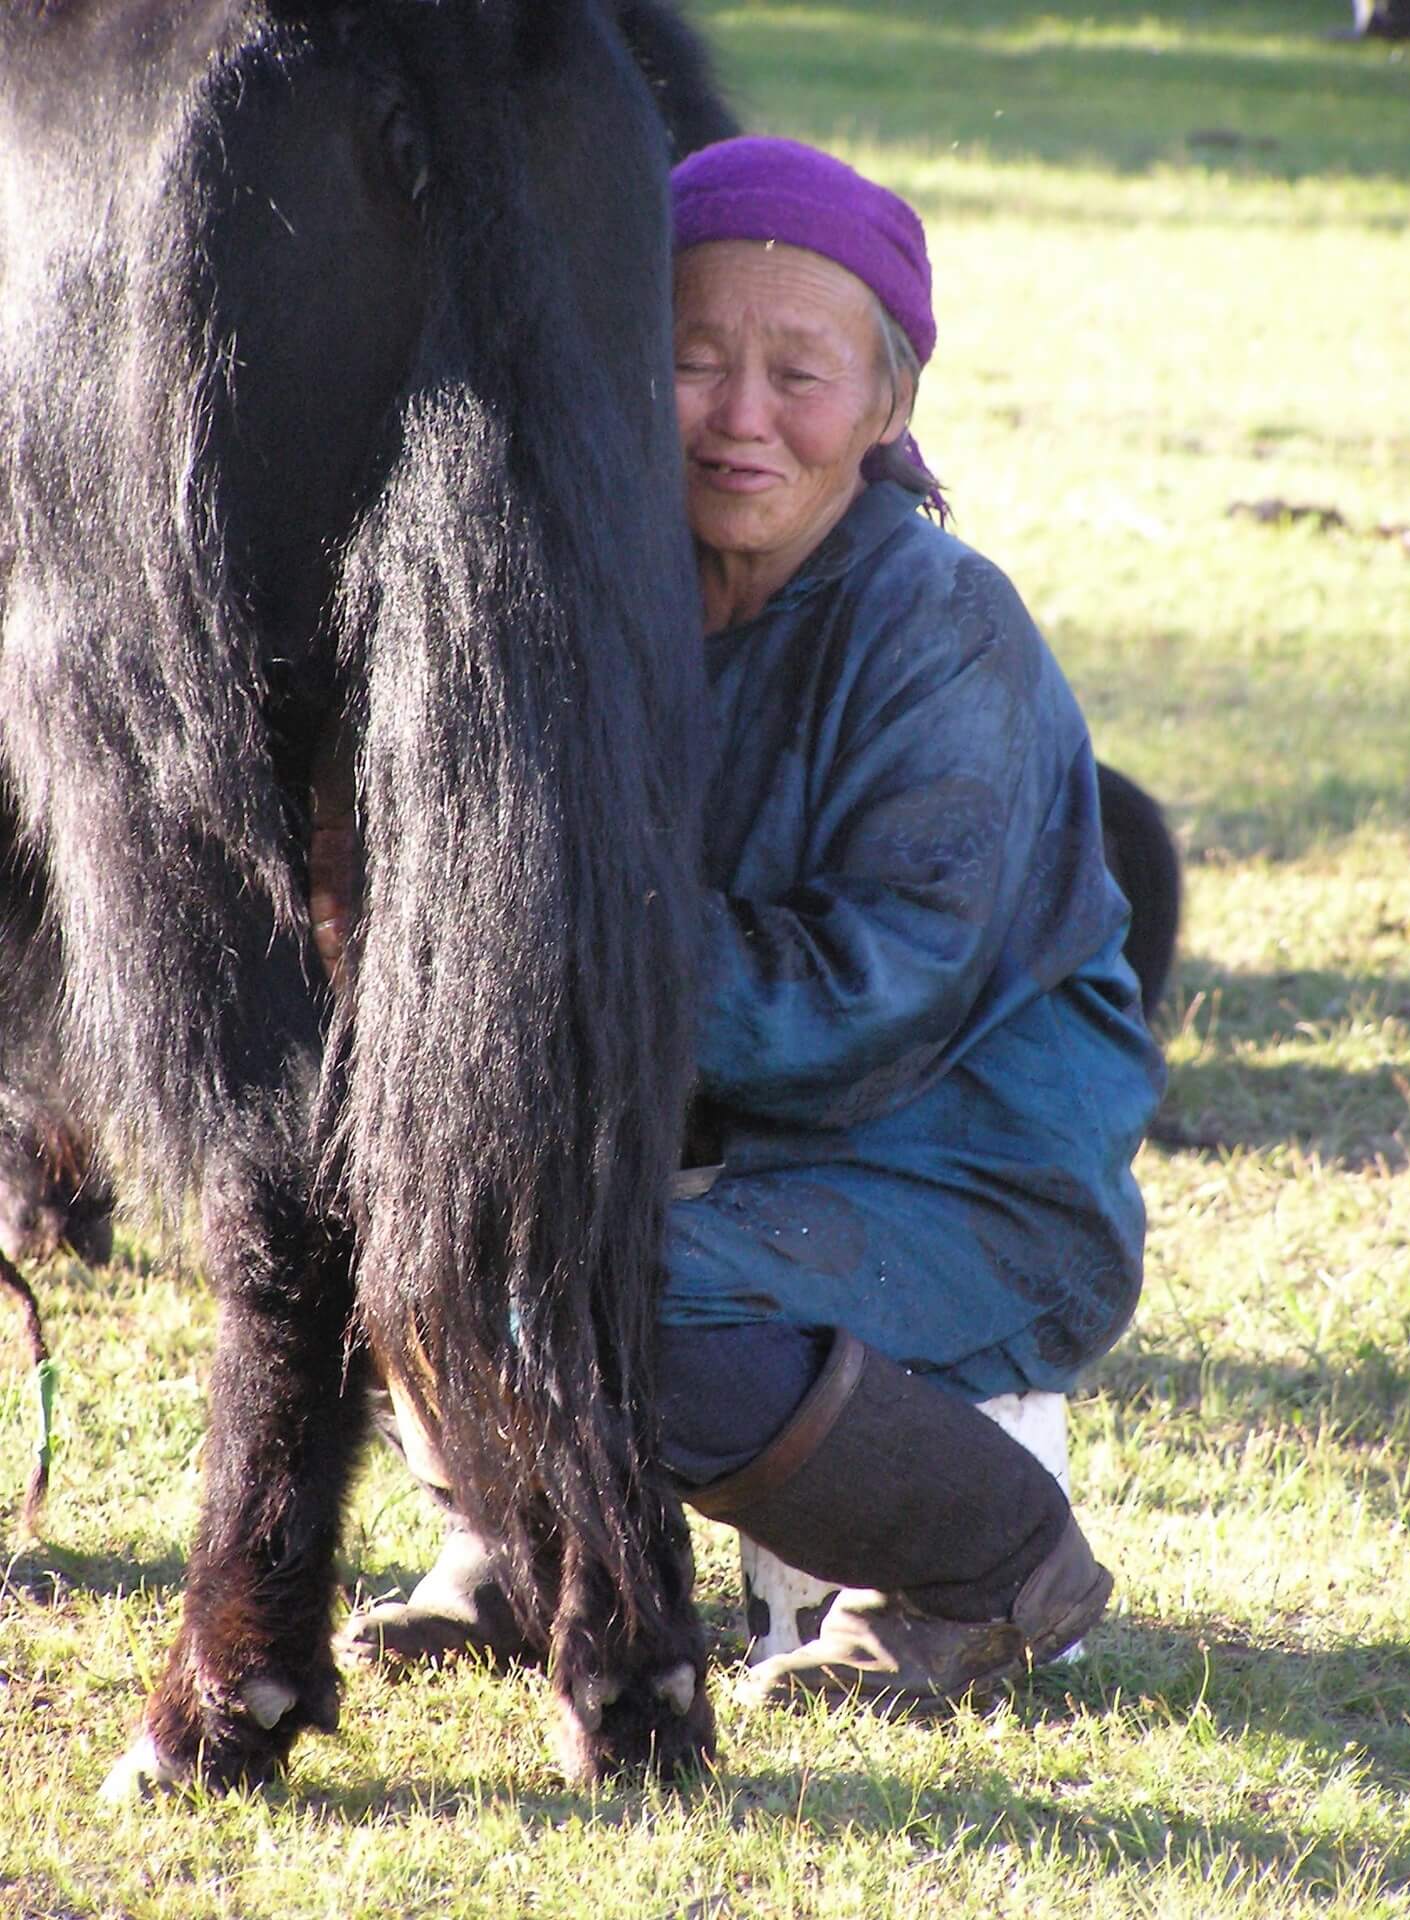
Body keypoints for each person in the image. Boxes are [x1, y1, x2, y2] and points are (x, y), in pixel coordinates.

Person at [323, 136, 1166, 1713]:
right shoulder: (589, 589)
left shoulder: (940, 629)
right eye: (694, 358)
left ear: (888, 404)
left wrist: (539, 963)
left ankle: (984, 1570)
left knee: (615, 1292)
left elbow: (880, 989)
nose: (740, 415)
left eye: (799, 371)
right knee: (410, 1194)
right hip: (715, 1155)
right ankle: (522, 1552)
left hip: (967, 1177)